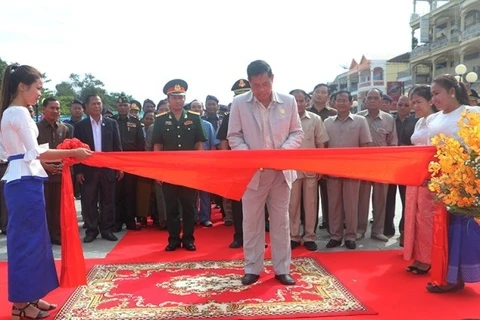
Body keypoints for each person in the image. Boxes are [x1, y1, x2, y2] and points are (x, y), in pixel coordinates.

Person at [0, 64, 91, 319]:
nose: (40, 93)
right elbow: (37, 152)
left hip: (24, 177)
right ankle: (20, 304)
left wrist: (44, 161)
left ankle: (30, 296)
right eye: (38, 88)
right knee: (26, 243)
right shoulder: (17, 113)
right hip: (24, 182)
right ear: (22, 86)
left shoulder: (13, 112)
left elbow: (18, 153)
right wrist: (74, 152)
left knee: (35, 241)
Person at [227, 60, 303, 286]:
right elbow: (234, 136)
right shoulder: (239, 104)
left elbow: (297, 133)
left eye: (265, 84)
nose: (261, 90)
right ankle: (252, 268)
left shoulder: (288, 102)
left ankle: (282, 269)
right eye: (256, 85)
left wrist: (281, 154)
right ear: (249, 83)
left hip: (280, 173)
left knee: (281, 222)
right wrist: (250, 156)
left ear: (273, 78)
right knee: (252, 222)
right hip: (253, 174)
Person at [425, 74, 480, 293]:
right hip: (441, 182)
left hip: (464, 182)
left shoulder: (471, 113)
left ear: (452, 91)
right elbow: (429, 151)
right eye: (431, 95)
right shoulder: (433, 119)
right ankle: (443, 275)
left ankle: (457, 277)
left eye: (437, 93)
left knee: (460, 230)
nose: (434, 99)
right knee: (441, 229)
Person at [152, 79, 206, 252]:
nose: (178, 100)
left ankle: (189, 239)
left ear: (185, 98)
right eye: (174, 97)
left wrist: (198, 169)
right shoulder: (160, 120)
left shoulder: (194, 118)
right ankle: (173, 239)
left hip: (189, 171)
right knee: (172, 206)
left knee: (189, 206)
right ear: (168, 99)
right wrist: (158, 172)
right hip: (169, 172)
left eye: (181, 97)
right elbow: (157, 147)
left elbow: (199, 145)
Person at [74, 94, 123, 243]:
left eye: (99, 103)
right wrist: (78, 170)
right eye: (93, 104)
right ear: (87, 107)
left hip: (107, 168)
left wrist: (119, 167)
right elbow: (76, 149)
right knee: (89, 201)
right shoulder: (80, 126)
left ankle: (107, 229)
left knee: (108, 200)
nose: (97, 106)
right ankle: (91, 230)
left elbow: (117, 146)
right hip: (88, 169)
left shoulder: (111, 123)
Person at [288, 89, 329, 251]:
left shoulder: (315, 119)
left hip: (310, 169)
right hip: (291, 169)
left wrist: (320, 166)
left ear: (307, 101)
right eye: (295, 100)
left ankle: (310, 236)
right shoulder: (284, 120)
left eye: (301, 100)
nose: (298, 104)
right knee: (293, 204)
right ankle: (294, 236)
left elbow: (321, 144)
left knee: (311, 203)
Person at [403, 85, 436, 275]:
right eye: (413, 102)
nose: (415, 106)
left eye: (418, 102)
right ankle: (416, 254)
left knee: (426, 217)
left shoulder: (436, 121)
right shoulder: (418, 122)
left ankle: (428, 258)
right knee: (412, 215)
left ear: (430, 101)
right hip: (414, 175)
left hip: (430, 176)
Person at [37, 97, 73, 245]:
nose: (55, 111)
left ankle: (57, 235)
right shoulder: (36, 128)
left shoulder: (65, 129)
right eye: (52, 108)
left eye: (57, 108)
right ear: (43, 109)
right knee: (43, 207)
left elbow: (69, 152)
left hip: (59, 174)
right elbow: (31, 152)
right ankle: (44, 237)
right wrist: (45, 165)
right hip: (41, 173)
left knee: (58, 207)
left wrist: (63, 165)